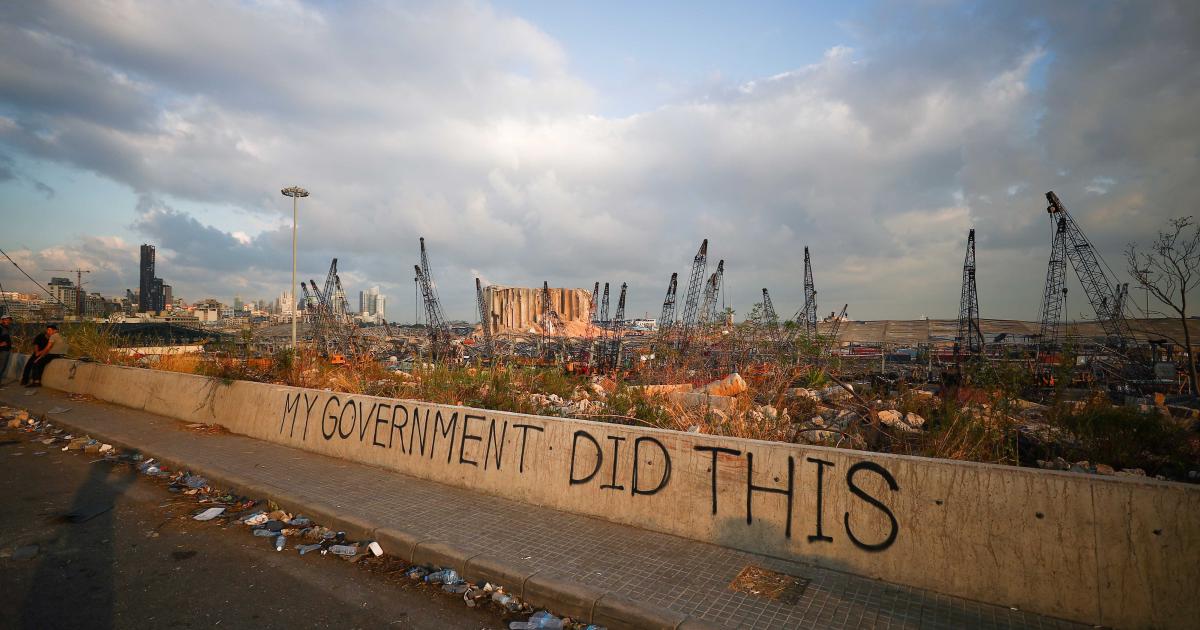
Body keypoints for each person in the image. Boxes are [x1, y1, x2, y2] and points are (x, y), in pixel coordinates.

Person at [0, 316, 11, 384]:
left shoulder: (5, 328)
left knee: (2, 368)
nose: (8, 321)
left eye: (9, 320)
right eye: (6, 320)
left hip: (5, 350)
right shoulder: (1, 328)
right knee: (1, 368)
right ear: (2, 320)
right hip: (3, 350)